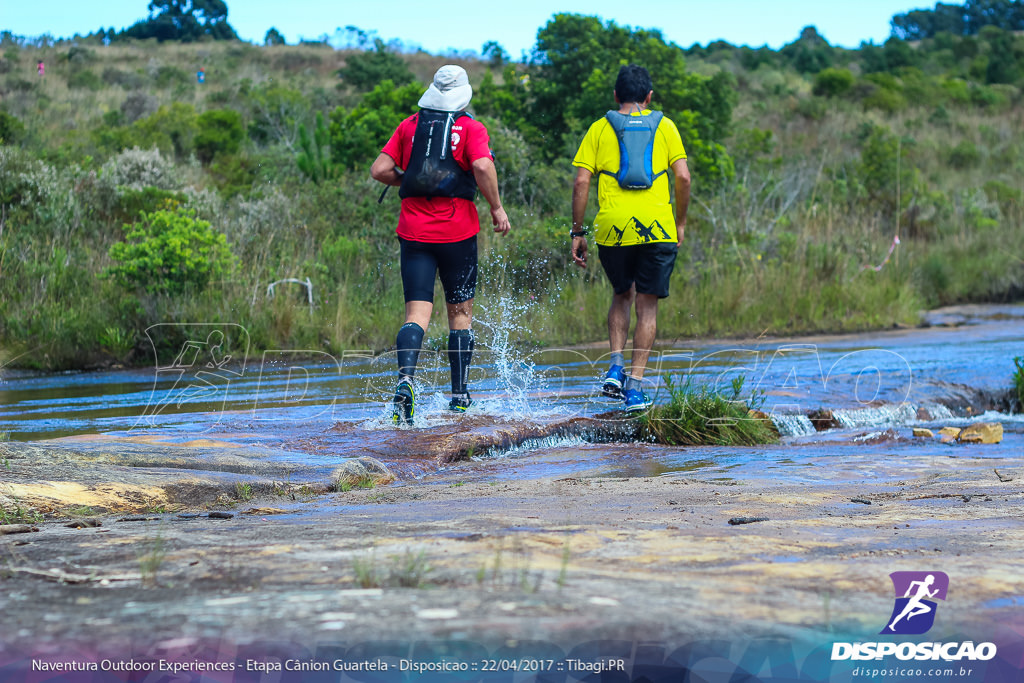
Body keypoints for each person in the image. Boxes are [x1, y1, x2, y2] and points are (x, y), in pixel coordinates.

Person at [371, 64, 511, 425]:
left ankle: (405, 381)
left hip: (414, 232)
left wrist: (410, 177)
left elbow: (379, 170)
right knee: (460, 315)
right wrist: (496, 207)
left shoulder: (410, 126)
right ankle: (460, 397)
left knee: (416, 314)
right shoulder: (470, 128)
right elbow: (481, 165)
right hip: (457, 233)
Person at [570, 64, 691, 413]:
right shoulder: (665, 127)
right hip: (658, 227)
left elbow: (581, 182)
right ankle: (635, 389)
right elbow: (682, 177)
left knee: (621, 294)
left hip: (613, 228)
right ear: (649, 97)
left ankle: (615, 366)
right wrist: (679, 221)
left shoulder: (598, 128)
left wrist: (578, 231)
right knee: (647, 304)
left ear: (615, 96)